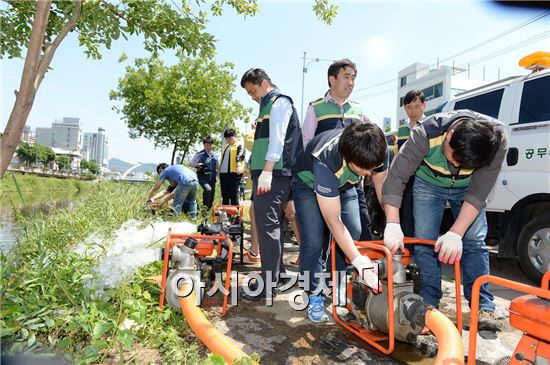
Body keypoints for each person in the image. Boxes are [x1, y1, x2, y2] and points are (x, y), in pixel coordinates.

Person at [382, 109, 508, 328]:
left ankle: (483, 306)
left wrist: (455, 233)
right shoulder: (426, 133)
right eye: (455, 158)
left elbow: (479, 193)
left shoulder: (496, 140)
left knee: (474, 242)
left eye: (465, 163)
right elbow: (397, 176)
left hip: (469, 189)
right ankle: (429, 302)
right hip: (428, 184)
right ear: (449, 136)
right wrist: (392, 223)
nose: (457, 166)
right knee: (424, 241)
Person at [293, 123, 387, 322]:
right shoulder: (326, 161)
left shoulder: (376, 147)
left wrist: (393, 223)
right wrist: (358, 259)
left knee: (353, 230)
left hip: (345, 185)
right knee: (314, 240)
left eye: (373, 167)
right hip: (308, 184)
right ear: (347, 156)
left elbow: (381, 186)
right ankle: (314, 294)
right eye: (363, 168)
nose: (369, 173)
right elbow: (333, 220)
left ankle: (336, 286)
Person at [239, 68, 303, 300]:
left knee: (268, 228)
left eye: (253, 91)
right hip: (267, 173)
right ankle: (280, 275)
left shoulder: (279, 102)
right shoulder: (266, 106)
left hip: (273, 174)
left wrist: (267, 172)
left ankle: (269, 283)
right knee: (271, 225)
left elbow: (277, 140)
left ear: (264, 83)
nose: (252, 96)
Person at [302, 58, 380, 242]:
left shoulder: (358, 110)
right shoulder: (316, 108)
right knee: (326, 232)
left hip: (353, 183)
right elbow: (306, 142)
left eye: (353, 78)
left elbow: (373, 137)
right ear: (332, 79)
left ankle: (357, 268)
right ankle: (332, 269)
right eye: (346, 77)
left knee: (359, 229)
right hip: (324, 182)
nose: (351, 82)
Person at [396, 90, 426, 240]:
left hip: (426, 178)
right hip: (407, 179)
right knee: (406, 214)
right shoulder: (401, 129)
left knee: (423, 217)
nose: (413, 111)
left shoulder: (430, 126)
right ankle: (408, 252)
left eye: (417, 106)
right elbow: (398, 155)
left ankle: (422, 251)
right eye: (409, 107)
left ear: (424, 106)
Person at [190, 136, 218, 210]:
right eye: (206, 145)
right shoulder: (199, 154)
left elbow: (218, 166)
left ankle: (206, 212)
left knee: (211, 197)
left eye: (210, 145)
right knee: (208, 189)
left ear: (212, 145)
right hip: (202, 177)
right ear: (204, 145)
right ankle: (204, 209)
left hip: (212, 178)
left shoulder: (215, 155)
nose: (208, 147)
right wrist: (198, 164)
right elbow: (191, 163)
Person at [219, 128, 245, 205]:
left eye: (230, 138)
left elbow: (240, 156)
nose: (228, 140)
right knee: (225, 195)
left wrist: (239, 165)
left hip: (234, 173)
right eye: (227, 138)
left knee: (233, 195)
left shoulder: (239, 145)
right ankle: (225, 214)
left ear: (235, 136)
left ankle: (236, 215)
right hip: (224, 174)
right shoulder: (226, 146)